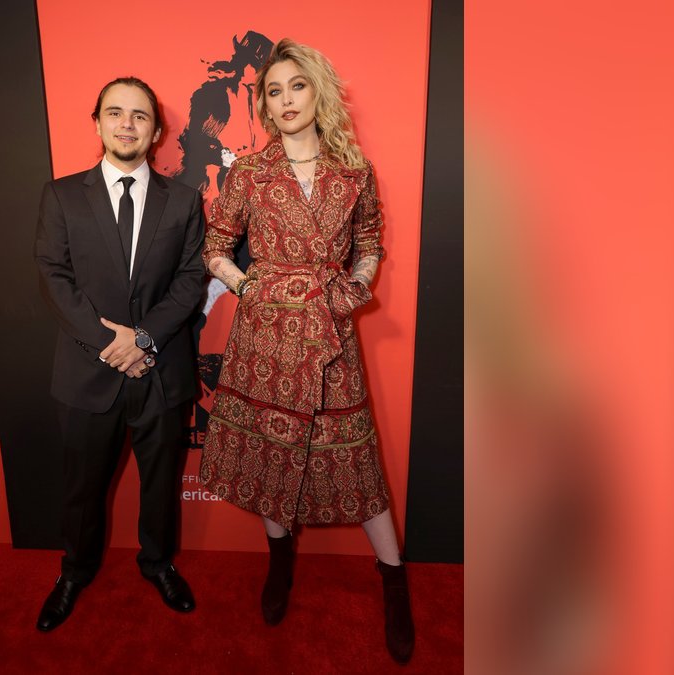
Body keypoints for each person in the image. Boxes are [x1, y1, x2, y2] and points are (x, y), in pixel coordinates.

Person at [198, 39, 415, 663]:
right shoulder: (249, 173)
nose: (286, 100)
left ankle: (392, 578)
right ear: (263, 106)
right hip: (265, 337)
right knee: (271, 453)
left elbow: (370, 239)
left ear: (317, 92)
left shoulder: (354, 171)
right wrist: (250, 286)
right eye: (274, 90)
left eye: (297, 86)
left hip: (329, 329)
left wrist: (356, 288)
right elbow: (217, 245)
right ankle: (279, 564)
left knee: (355, 458)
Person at [33, 76, 207, 632]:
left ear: (156, 131)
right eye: (115, 113)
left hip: (160, 371)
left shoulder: (183, 200)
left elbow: (189, 280)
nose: (127, 124)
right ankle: (74, 572)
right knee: (82, 488)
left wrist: (144, 339)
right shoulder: (61, 195)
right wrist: (112, 343)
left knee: (160, 484)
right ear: (98, 122)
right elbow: (54, 278)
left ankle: (158, 563)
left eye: (139, 116)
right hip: (88, 371)